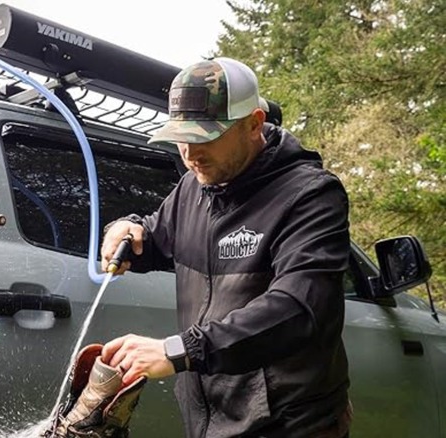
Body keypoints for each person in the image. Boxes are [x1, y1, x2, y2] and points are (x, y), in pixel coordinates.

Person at [99, 57, 353, 437]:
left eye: (205, 137)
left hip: (289, 424)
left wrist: (179, 350)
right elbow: (156, 236)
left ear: (253, 124)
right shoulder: (195, 185)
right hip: (210, 422)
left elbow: (299, 307)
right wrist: (127, 228)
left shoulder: (310, 195)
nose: (189, 153)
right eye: (181, 137)